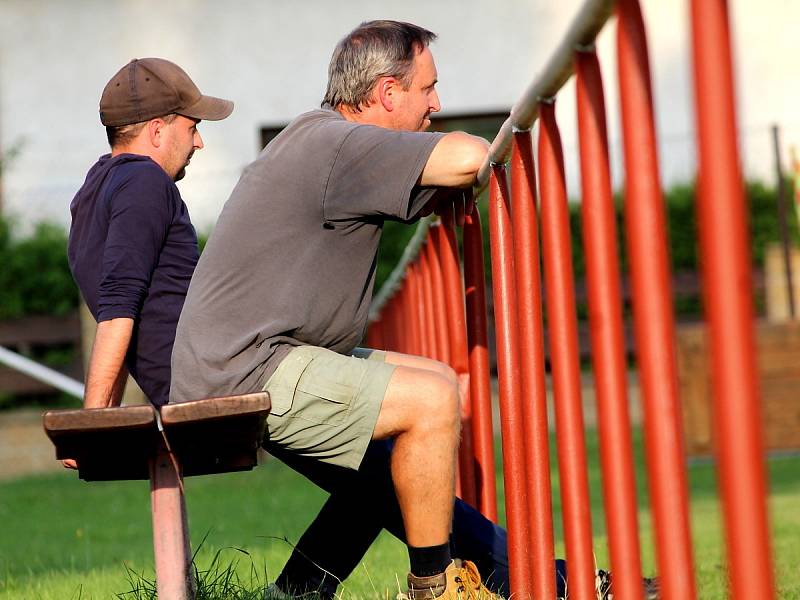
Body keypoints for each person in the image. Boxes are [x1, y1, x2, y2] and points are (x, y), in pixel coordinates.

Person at [171, 20, 501, 600]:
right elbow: (471, 155)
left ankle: (296, 592)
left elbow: (431, 184)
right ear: (387, 93)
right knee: (429, 403)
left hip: (255, 359)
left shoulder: (327, 140)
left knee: (434, 386)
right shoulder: (341, 146)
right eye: (428, 90)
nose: (437, 104)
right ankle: (435, 586)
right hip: (246, 370)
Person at [65, 57, 233, 460]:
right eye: (192, 128)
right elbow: (119, 308)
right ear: (158, 130)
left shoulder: (93, 190)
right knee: (406, 397)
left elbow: (127, 311)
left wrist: (106, 410)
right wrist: (93, 423)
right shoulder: (144, 181)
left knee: (377, 468)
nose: (198, 143)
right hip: (219, 380)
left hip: (197, 380)